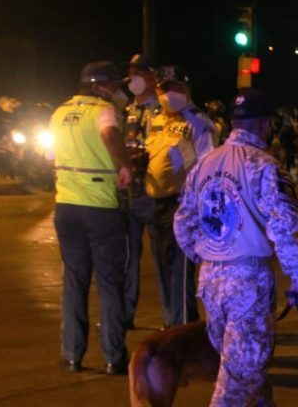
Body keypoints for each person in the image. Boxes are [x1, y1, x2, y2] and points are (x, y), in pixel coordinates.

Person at [174, 89, 298, 407]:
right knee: (241, 372)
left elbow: (183, 225)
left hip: (212, 279)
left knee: (241, 363)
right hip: (248, 279)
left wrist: (208, 256)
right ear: (266, 125)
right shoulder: (265, 166)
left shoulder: (204, 165)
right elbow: (283, 227)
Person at [48, 61, 133, 374]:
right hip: (100, 207)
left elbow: (48, 156)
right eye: (113, 85)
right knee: (110, 284)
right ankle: (114, 356)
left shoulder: (58, 113)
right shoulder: (104, 110)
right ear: (98, 86)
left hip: (65, 205)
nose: (117, 90)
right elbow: (110, 134)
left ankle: (72, 354)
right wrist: (126, 165)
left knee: (74, 281)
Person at [144, 65, 215, 327]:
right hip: (157, 203)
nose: (169, 94)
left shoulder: (198, 123)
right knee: (164, 270)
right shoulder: (157, 120)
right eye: (165, 88)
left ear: (187, 91)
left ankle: (185, 327)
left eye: (177, 88)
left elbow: (209, 167)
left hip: (183, 206)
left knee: (180, 272)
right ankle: (173, 323)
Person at [123, 53, 163, 329]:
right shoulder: (127, 112)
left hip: (155, 189)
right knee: (126, 256)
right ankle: (124, 315)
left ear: (152, 77)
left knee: (163, 258)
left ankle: (173, 320)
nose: (132, 77)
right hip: (130, 191)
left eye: (138, 72)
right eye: (131, 72)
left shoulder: (162, 111)